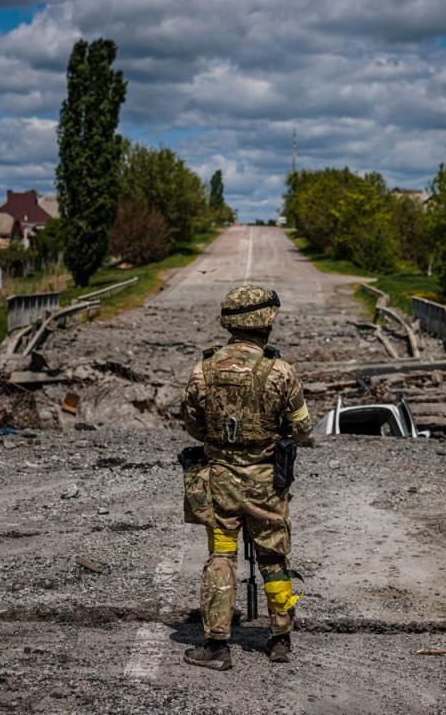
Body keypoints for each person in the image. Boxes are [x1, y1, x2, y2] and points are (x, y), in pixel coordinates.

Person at [180, 284, 312, 669]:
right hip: (267, 485)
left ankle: (217, 646)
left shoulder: (203, 368)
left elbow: (192, 426)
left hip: (220, 481)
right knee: (273, 556)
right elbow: (302, 429)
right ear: (267, 321)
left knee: (221, 554)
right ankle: (280, 639)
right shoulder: (280, 371)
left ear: (229, 322)